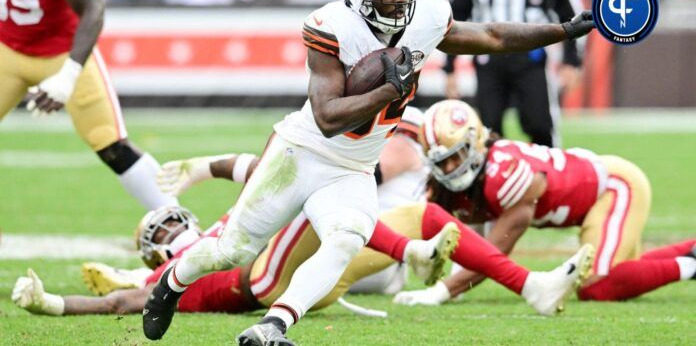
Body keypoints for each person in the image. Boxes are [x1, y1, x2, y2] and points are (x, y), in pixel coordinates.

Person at [141, 0, 595, 343]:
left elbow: (493, 36)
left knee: (347, 238)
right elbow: (327, 116)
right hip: (301, 154)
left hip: (355, 166)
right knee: (232, 252)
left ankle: (273, 327)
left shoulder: (426, 15)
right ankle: (172, 281)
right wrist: (385, 91)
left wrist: (561, 31)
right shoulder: (331, 27)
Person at [13, 201, 592, 318]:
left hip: (315, 272)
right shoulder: (166, 271)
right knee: (311, 201)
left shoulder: (219, 226)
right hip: (268, 281)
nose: (172, 226)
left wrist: (200, 166)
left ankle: (534, 288)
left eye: (170, 218)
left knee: (424, 212)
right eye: (158, 230)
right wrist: (54, 304)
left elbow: (248, 169)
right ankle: (410, 255)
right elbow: (125, 299)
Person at [392, 100, 696, 306]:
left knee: (597, 285)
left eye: (455, 157)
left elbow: (494, 253)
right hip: (591, 197)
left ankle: (691, 265)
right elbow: (430, 224)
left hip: (611, 187)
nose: (449, 170)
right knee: (626, 271)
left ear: (475, 142)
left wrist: (442, 291)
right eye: (441, 162)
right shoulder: (459, 182)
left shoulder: (505, 175)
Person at [0, 0, 177, 211]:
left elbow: (93, 7)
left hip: (62, 52)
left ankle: (180, 228)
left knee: (110, 143)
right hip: (8, 48)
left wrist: (69, 74)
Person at [443, 0, 585, 147]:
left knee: (540, 126)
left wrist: (572, 60)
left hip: (531, 58)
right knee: (488, 131)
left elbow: (569, 9)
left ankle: (546, 174)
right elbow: (454, 15)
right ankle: (493, 176)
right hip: (487, 57)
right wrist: (449, 67)